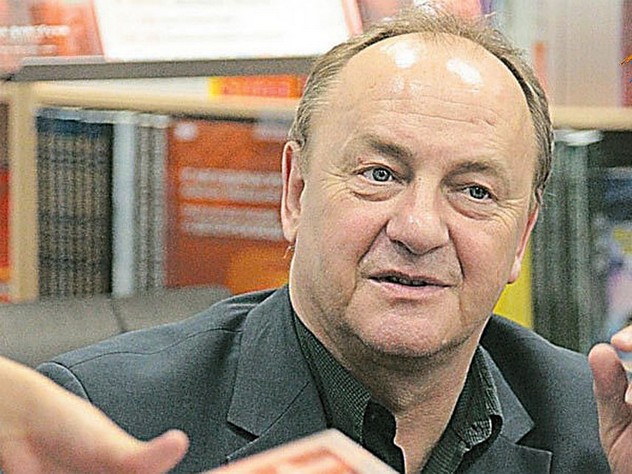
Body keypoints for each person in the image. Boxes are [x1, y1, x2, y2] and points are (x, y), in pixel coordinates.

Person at [2, 8, 632, 474]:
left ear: (521, 237)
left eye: (474, 191)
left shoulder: (598, 427)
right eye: (379, 175)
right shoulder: (104, 424)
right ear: (296, 194)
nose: (418, 229)